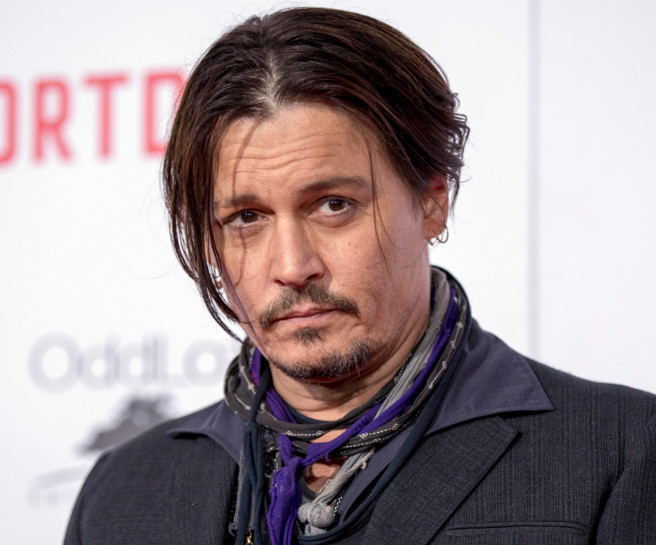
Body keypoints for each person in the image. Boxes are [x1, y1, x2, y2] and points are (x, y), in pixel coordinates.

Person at [64, 7, 656, 545]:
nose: (292, 267)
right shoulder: (121, 492)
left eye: (333, 205)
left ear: (432, 202)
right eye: (246, 218)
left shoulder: (620, 454)